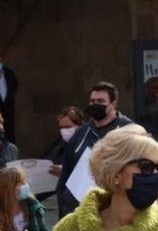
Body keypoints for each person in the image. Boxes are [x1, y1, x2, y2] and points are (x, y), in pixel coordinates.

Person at [56, 83, 136, 216]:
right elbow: (65, 176)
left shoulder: (129, 131)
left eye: (101, 101)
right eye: (92, 101)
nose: (95, 104)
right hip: (80, 212)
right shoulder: (80, 134)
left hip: (116, 213)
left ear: (113, 103)